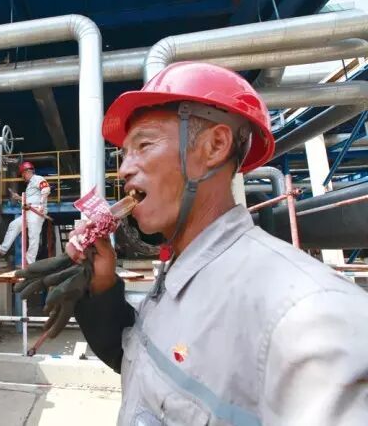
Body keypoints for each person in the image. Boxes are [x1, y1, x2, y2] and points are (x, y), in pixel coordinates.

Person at [69, 62, 368, 425]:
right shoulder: (177, 275)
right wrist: (101, 286)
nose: (123, 169)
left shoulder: (309, 315)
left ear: (215, 146)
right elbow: (140, 361)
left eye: (144, 145)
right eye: (124, 154)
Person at [0, 161, 50, 264]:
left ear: (27, 171)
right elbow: (30, 199)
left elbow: (46, 189)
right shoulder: (30, 185)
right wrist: (19, 198)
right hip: (28, 212)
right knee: (14, 225)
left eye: (23, 174)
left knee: (33, 236)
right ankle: (2, 250)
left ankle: (30, 262)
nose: (23, 177)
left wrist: (41, 205)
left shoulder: (38, 179)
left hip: (36, 212)